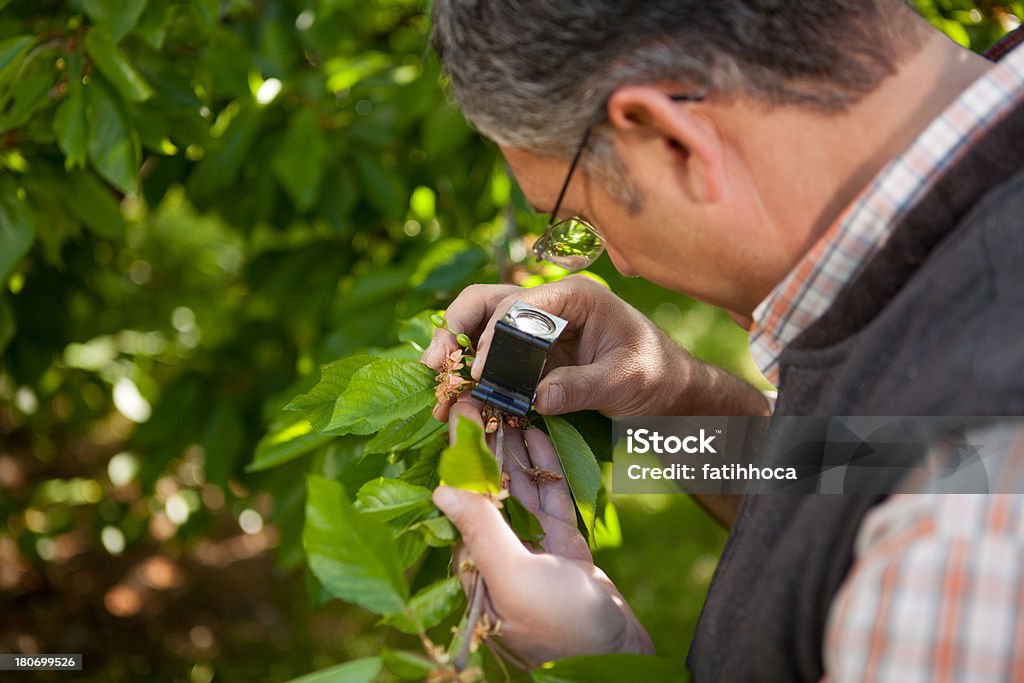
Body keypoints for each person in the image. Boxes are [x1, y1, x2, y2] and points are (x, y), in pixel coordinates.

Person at [420, 2, 1024, 680]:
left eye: (585, 219)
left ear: (673, 139)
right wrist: (675, 399)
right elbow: (878, 468)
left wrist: (600, 660)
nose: (620, 264)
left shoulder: (957, 555)